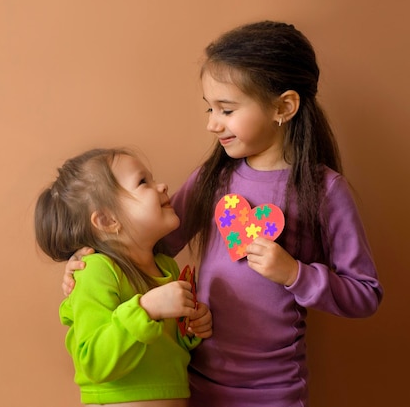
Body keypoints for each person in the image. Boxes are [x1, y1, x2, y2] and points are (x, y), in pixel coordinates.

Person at [63, 20, 383, 407]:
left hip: (273, 389)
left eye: (226, 109)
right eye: (209, 108)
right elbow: (146, 244)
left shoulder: (325, 191)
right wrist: (92, 259)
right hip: (191, 380)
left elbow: (366, 294)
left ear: (284, 106)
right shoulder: (213, 179)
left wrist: (294, 274)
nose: (212, 123)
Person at [35, 148, 213, 407]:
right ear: (107, 220)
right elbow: (93, 361)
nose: (162, 186)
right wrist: (146, 309)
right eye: (143, 182)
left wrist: (192, 329)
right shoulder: (95, 271)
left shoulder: (167, 268)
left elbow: (162, 349)